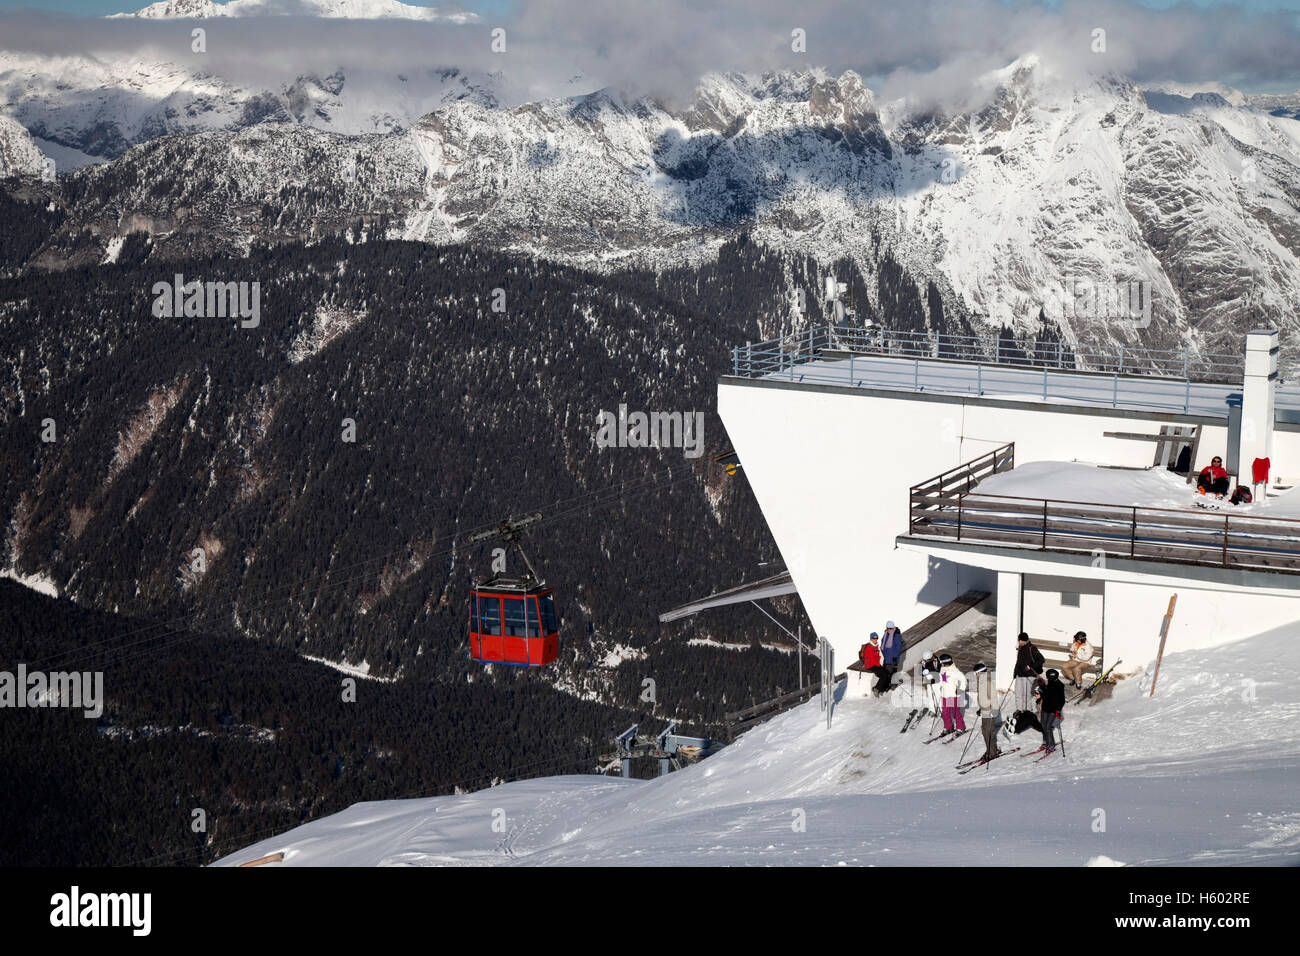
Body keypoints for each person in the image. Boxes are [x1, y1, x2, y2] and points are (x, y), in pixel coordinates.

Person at [972, 661, 1000, 762]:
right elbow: (984, 698)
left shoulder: (987, 682)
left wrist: (995, 710)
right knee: (985, 731)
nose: (975, 675)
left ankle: (992, 752)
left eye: (976, 673)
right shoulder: (982, 682)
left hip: (989, 711)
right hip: (984, 711)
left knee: (988, 732)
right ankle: (991, 749)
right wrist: (980, 708)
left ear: (979, 673)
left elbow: (993, 697)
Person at [936, 653, 967, 734]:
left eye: (941, 663)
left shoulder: (955, 671)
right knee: (945, 713)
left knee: (955, 713)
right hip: (945, 695)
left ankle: (960, 727)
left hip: (953, 696)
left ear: (945, 663)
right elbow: (941, 680)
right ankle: (948, 727)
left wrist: (960, 690)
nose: (940, 664)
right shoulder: (942, 669)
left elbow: (963, 680)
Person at [1013, 632, 1044, 713]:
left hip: (1029, 675)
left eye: (1019, 640)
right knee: (1018, 693)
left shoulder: (1032, 648)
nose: (1018, 642)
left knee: (1027, 695)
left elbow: (1041, 659)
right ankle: (1019, 710)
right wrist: (1015, 672)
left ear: (1024, 640)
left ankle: (1028, 711)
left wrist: (1030, 667)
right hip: (1020, 674)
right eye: (1018, 640)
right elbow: (1018, 661)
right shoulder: (1020, 648)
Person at [1037, 669, 1066, 754]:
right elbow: (1045, 694)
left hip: (1053, 710)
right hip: (1045, 708)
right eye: (1048, 677)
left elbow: (1062, 700)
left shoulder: (1059, 685)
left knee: (1048, 727)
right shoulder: (1049, 683)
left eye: (1050, 677)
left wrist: (1058, 710)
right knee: (1043, 725)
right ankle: (1046, 742)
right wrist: (1041, 686)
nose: (1049, 678)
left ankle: (1051, 745)